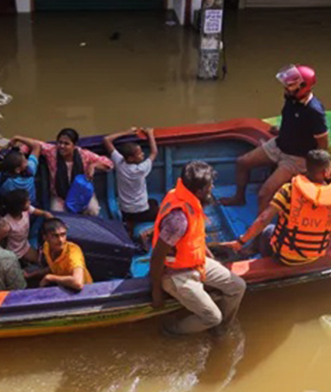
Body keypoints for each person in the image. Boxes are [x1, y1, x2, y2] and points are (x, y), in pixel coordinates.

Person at [150, 161, 246, 335]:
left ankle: (222, 328)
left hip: (196, 262)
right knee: (212, 317)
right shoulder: (178, 221)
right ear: (199, 191)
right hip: (176, 273)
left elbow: (196, 238)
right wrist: (156, 290)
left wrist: (212, 260)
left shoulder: (186, 197)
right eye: (210, 186)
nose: (213, 188)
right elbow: (157, 256)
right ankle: (171, 330)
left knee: (238, 286)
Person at [220, 64, 328, 213]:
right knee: (242, 162)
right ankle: (239, 197)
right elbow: (291, 119)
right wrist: (281, 130)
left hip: (296, 158)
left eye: (290, 86)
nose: (285, 88)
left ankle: (261, 232)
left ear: (304, 87)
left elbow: (322, 142)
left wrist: (313, 167)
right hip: (278, 145)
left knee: (265, 194)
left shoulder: (314, 111)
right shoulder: (291, 98)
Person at [226, 149, 331, 265]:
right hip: (315, 256)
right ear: (326, 172)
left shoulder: (288, 190)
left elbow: (263, 219)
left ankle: (262, 257)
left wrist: (241, 242)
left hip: (285, 257)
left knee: (268, 229)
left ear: (306, 167)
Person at [13, 129, 113, 216]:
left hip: (81, 193)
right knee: (57, 215)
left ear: (74, 145)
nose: (62, 146)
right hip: (59, 195)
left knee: (93, 210)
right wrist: (18, 139)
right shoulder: (52, 151)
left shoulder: (84, 155)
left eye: (66, 144)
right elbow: (35, 144)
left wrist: (93, 165)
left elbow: (109, 163)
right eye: (59, 142)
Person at [103, 126, 159, 237]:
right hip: (141, 211)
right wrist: (150, 134)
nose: (143, 154)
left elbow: (106, 140)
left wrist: (126, 132)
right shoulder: (140, 169)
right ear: (130, 159)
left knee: (149, 203)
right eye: (139, 153)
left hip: (125, 210)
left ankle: (130, 224)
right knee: (160, 210)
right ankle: (148, 233)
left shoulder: (119, 162)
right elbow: (154, 152)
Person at [37, 218, 93, 291]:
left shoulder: (73, 252)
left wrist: (51, 278)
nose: (61, 240)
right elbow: (54, 267)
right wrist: (31, 274)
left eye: (63, 235)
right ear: (45, 238)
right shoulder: (46, 247)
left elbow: (78, 283)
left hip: (85, 292)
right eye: (55, 236)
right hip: (65, 288)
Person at [3, 189, 53, 264]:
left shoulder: (27, 209)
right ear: (19, 206)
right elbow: (2, 241)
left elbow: (44, 213)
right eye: (27, 201)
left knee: (41, 261)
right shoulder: (6, 222)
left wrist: (55, 223)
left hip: (24, 247)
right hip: (12, 252)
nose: (29, 202)